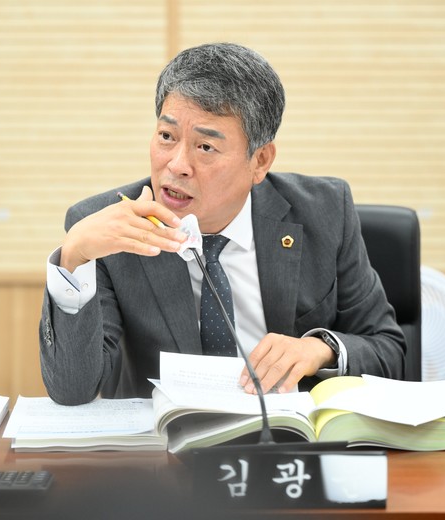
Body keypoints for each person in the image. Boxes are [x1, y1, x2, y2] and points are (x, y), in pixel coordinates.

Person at [39, 42, 406, 405]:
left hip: (284, 435)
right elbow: (72, 390)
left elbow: (389, 351)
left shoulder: (324, 211)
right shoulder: (107, 230)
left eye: (205, 147)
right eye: (166, 137)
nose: (177, 165)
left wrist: (321, 349)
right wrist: (74, 259)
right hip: (164, 439)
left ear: (260, 161)